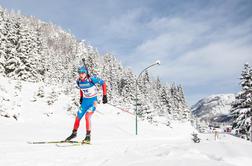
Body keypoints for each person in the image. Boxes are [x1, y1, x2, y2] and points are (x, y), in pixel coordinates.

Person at [65, 66, 107, 143]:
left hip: (92, 103)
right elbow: (81, 89)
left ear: (86, 73)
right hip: (84, 102)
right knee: (78, 117)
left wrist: (104, 95)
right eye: (79, 73)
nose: (81, 75)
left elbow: (103, 83)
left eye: (83, 73)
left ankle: (88, 137)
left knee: (87, 117)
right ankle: (74, 133)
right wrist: (81, 97)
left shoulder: (92, 79)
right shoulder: (78, 81)